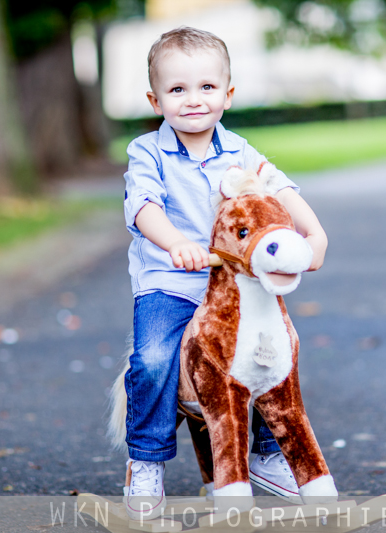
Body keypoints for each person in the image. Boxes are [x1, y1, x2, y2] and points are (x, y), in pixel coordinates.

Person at [122, 26, 328, 520]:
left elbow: (280, 192)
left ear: (228, 94)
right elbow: (144, 207)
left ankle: (264, 454)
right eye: (177, 89)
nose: (193, 100)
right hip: (172, 283)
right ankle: (145, 461)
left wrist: (315, 235)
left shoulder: (239, 151)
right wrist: (176, 244)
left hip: (234, 287)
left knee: (267, 355)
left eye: (206, 87)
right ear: (155, 100)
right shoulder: (146, 151)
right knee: (153, 359)